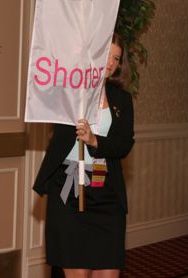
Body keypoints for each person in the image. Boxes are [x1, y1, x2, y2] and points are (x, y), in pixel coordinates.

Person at [33, 32, 135, 278]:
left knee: (109, 272)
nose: (111, 63)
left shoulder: (122, 99)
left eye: (116, 58)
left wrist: (94, 140)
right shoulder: (69, 92)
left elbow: (123, 145)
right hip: (69, 190)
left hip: (106, 195)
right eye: (106, 55)